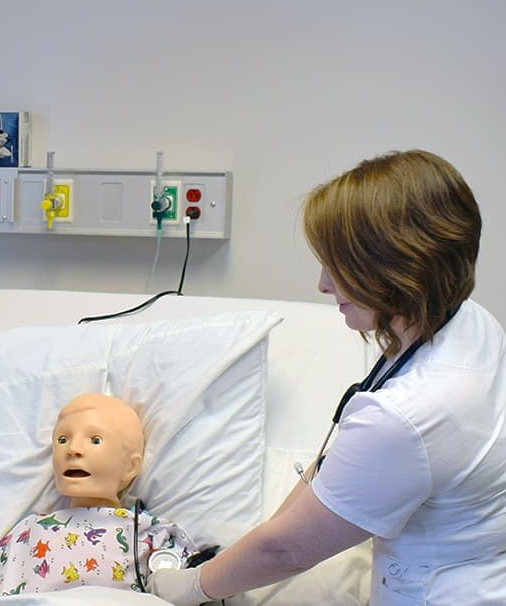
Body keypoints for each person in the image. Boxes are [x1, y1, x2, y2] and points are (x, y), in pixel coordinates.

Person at [149, 149, 506, 605]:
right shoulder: (470, 322)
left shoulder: (407, 416)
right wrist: (252, 543)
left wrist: (186, 587)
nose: (322, 284)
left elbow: (288, 550)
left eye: (338, 265)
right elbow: (334, 475)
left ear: (395, 267)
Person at [0, 393, 197, 598]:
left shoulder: (151, 534)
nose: (72, 450)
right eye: (62, 439)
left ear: (130, 467)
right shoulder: (22, 536)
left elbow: (187, 589)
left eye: (95, 440)